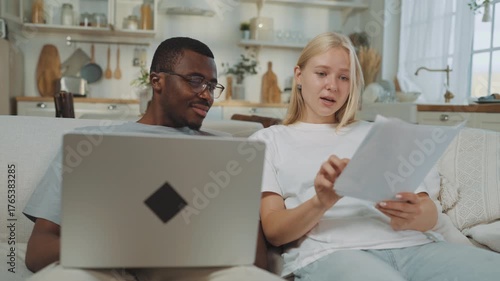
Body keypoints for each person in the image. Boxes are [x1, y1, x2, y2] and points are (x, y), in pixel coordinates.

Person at [23, 37, 283, 281]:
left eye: (212, 86)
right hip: (106, 270)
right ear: (157, 81)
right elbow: (37, 252)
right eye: (195, 80)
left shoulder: (229, 153)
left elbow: (257, 262)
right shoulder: (89, 143)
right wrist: (113, 245)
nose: (207, 95)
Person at [249, 32, 500, 281]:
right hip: (333, 253)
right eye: (322, 73)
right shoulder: (270, 140)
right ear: (299, 75)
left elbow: (428, 212)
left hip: (414, 247)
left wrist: (415, 215)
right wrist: (322, 201)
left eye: (344, 77)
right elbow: (274, 231)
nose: (333, 85)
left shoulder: (378, 132)